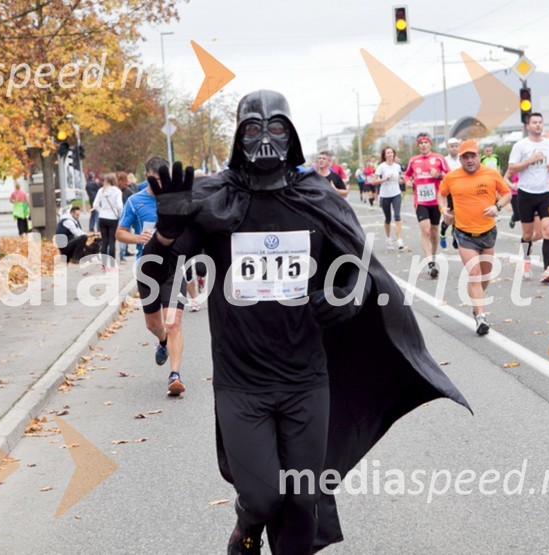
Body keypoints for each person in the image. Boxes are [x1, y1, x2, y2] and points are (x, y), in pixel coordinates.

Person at [142, 90, 468, 553]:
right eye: (252, 129)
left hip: (306, 379)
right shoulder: (215, 204)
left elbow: (359, 270)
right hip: (242, 383)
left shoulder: (316, 197)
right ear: (238, 136)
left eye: (276, 127)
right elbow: (152, 280)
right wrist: (166, 233)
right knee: (260, 496)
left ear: (292, 135)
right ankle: (246, 527)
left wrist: (347, 297)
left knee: (302, 499)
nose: (264, 139)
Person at [117, 156, 187, 397]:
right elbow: (120, 232)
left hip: (175, 265)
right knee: (154, 324)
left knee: (173, 321)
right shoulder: (135, 202)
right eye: (157, 179)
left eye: (164, 179)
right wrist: (138, 238)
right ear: (148, 177)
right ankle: (163, 341)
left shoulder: (176, 200)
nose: (161, 184)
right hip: (147, 267)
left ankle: (175, 375)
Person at [440, 140, 512, 336]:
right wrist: (443, 209)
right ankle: (481, 317)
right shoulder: (452, 177)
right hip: (464, 234)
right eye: (465, 157)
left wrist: (497, 207)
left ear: (478, 156)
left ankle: (476, 301)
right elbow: (441, 193)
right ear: (461, 158)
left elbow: (507, 193)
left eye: (472, 156)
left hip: (487, 232)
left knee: (485, 276)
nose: (469, 160)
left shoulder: (490, 174)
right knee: (475, 273)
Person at [508, 112, 549, 283]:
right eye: (534, 122)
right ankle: (526, 260)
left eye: (540, 122)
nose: (538, 125)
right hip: (525, 194)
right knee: (527, 233)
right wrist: (529, 160)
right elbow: (512, 168)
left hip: (545, 193)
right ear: (528, 126)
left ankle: (547, 268)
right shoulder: (520, 146)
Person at [404, 132, 450, 279]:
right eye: (420, 143)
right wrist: (407, 182)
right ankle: (430, 264)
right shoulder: (413, 160)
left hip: (436, 201)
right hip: (421, 201)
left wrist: (439, 175)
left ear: (430, 144)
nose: (423, 145)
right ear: (418, 145)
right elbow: (406, 175)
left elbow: (449, 175)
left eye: (426, 142)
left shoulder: (438, 158)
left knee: (435, 232)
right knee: (426, 231)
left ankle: (433, 257)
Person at [369, 146, 404, 250]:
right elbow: (373, 181)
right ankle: (388, 239)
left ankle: (399, 240)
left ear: (394, 154)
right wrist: (384, 179)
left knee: (397, 216)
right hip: (385, 196)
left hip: (396, 194)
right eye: (387, 153)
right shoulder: (381, 167)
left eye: (391, 153)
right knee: (388, 218)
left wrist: (401, 181)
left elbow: (399, 179)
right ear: (384, 155)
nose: (390, 154)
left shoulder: (397, 166)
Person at [93, 173, 124, 272]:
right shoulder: (117, 191)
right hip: (113, 218)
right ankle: (113, 266)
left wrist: (101, 211)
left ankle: (103, 266)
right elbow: (119, 206)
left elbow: (95, 205)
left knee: (104, 242)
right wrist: (119, 214)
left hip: (102, 218)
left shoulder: (101, 190)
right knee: (112, 242)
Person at [439, 138, 461, 249]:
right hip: (448, 191)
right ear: (448, 148)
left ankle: (455, 236)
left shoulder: (462, 159)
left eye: (456, 146)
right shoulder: (444, 160)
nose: (454, 148)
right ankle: (442, 232)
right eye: (451, 146)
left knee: (459, 215)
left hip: (461, 191)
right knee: (450, 216)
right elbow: (440, 174)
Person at [117, 172, 137, 263]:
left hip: (115, 215)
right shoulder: (128, 190)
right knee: (125, 234)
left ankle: (123, 252)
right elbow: (135, 197)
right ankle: (122, 254)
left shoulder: (116, 190)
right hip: (126, 215)